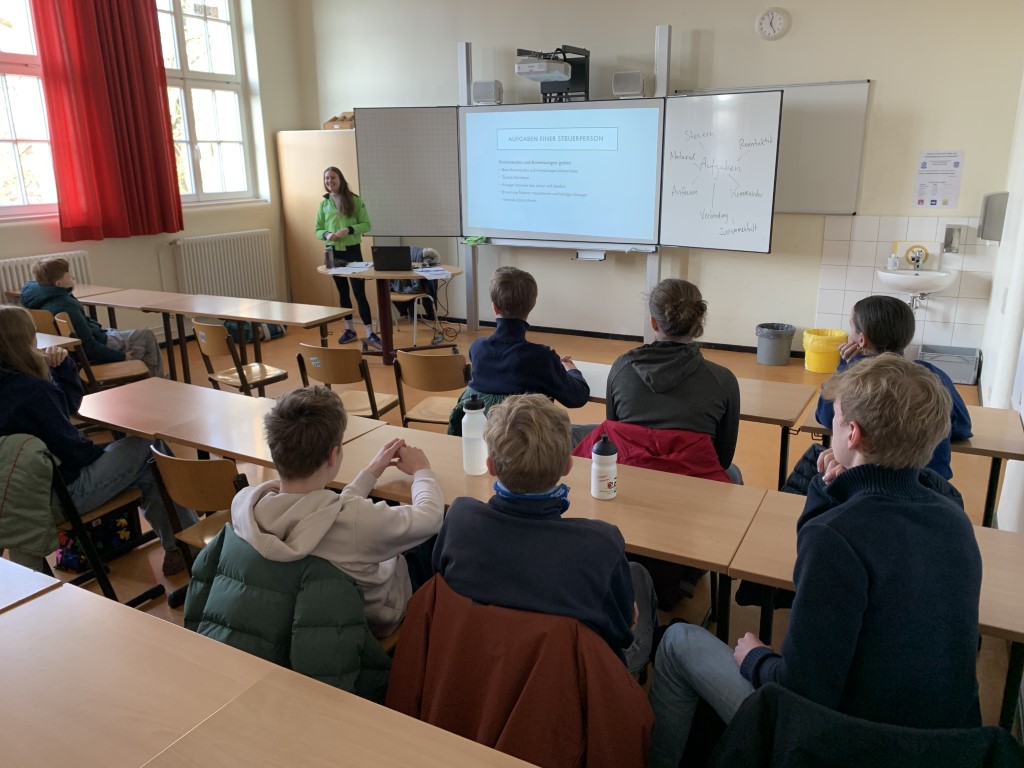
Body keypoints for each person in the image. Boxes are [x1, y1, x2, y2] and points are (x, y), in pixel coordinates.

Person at [647, 354, 983, 767]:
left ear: (852, 434)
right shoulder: (955, 520)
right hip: (946, 748)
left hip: (846, 745)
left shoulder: (835, 536)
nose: (830, 429)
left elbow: (801, 691)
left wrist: (756, 658)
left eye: (835, 420)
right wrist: (832, 489)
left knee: (677, 642)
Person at [433, 394, 657, 676]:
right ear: (568, 466)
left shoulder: (459, 519)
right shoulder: (601, 544)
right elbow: (623, 633)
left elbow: (442, 587)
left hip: (479, 667)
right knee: (639, 576)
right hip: (568, 679)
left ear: (490, 466)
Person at [230, 385, 444, 637]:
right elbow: (431, 517)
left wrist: (370, 473)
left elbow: (327, 512)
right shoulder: (356, 520)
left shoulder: (246, 505)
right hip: (374, 617)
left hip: (294, 615)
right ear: (333, 456)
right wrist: (422, 471)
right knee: (439, 533)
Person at [0, 305, 197, 575]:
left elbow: (65, 409)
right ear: (23, 341)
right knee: (149, 448)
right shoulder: (33, 391)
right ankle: (188, 547)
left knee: (145, 469)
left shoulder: (18, 386)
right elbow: (76, 453)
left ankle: (179, 548)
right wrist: (106, 451)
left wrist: (62, 369)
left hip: (15, 502)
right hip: (59, 497)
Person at [815, 294, 971, 480]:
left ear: (861, 340)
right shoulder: (929, 375)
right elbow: (963, 428)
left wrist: (847, 366)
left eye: (851, 327)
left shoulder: (859, 381)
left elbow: (825, 416)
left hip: (874, 483)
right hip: (933, 481)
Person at [605, 278, 740, 478]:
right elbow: (723, 459)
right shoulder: (723, 381)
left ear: (653, 322)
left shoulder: (621, 369)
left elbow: (614, 434)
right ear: (698, 322)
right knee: (734, 473)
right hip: (696, 486)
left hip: (631, 480)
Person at [447, 266, 589, 435]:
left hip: (481, 437)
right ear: (532, 305)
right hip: (528, 443)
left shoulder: (478, 348)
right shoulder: (542, 358)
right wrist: (572, 370)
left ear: (494, 307)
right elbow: (577, 397)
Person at [20, 257, 165, 377]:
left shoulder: (37, 297)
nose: (73, 277)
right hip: (98, 343)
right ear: (59, 283)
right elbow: (89, 346)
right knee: (146, 336)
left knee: (136, 339)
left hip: (85, 342)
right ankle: (152, 379)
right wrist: (121, 357)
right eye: (68, 275)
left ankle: (143, 377)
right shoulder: (65, 304)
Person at [315, 166, 379, 351]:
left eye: (333, 178)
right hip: (333, 253)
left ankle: (370, 332)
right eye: (327, 178)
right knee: (342, 292)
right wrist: (326, 234)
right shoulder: (324, 203)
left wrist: (349, 230)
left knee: (359, 293)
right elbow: (317, 229)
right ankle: (349, 330)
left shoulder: (355, 200)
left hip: (352, 252)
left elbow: (366, 225)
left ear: (340, 179)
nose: (330, 181)